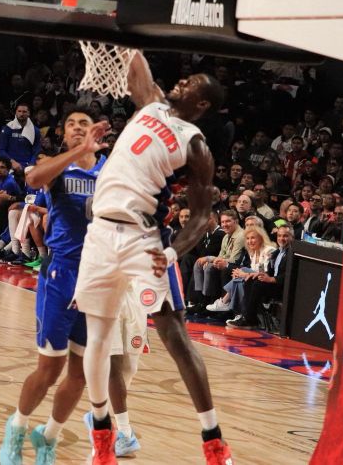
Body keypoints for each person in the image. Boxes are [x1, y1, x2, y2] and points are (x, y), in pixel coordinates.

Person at [73, 52, 232, 465]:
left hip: (142, 237)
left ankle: (213, 442)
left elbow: (201, 216)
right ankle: (104, 437)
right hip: (100, 232)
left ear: (202, 104)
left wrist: (171, 250)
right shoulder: (153, 103)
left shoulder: (194, 143)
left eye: (193, 82)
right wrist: (119, 35)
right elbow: (133, 63)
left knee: (174, 334)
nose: (183, 82)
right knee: (99, 339)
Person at [0, 109, 108, 465]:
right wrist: (78, 151)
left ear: (96, 130)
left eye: (83, 124)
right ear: (63, 134)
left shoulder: (110, 169)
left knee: (80, 374)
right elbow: (31, 179)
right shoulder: (58, 165)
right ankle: (16, 428)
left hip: (97, 278)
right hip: (61, 274)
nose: (77, 129)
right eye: (71, 125)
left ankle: (49, 436)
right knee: (50, 369)